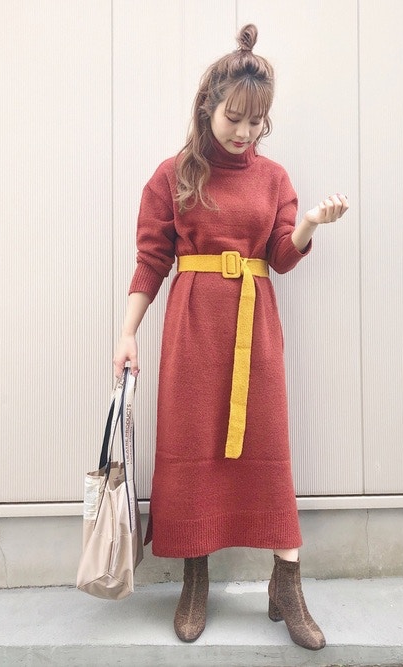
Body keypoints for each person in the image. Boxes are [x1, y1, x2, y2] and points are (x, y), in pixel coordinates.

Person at [113, 24, 348, 651]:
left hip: (254, 328)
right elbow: (151, 261)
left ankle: (286, 583)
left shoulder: (274, 179)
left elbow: (281, 255)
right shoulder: (172, 176)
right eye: (234, 118)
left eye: (256, 121)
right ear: (207, 108)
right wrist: (127, 333)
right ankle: (195, 578)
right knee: (192, 445)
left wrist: (310, 225)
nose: (244, 132)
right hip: (193, 332)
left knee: (266, 445)